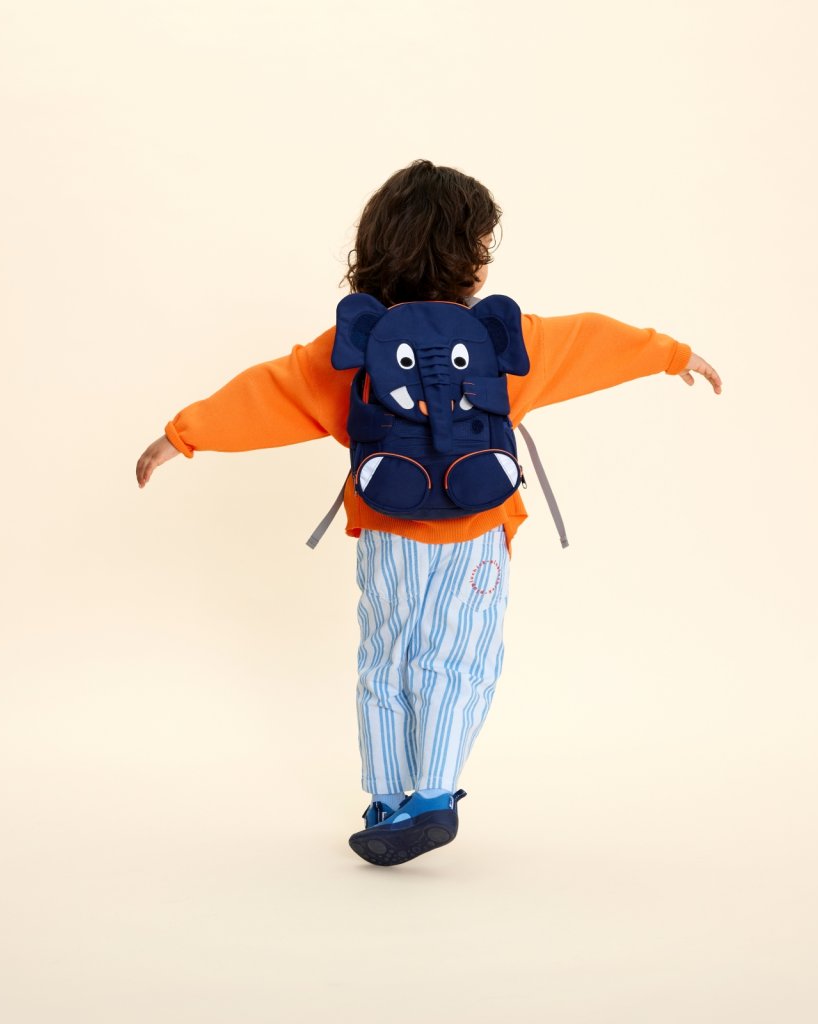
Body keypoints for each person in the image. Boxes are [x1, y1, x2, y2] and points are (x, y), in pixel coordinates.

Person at [135, 158, 723, 867]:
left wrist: (184, 436)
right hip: (477, 533)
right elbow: (593, 340)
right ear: (472, 260)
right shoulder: (508, 339)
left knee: (386, 658)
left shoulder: (355, 347)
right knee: (457, 658)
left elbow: (271, 391)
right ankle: (434, 796)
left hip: (389, 531)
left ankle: (388, 799)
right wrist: (672, 355)